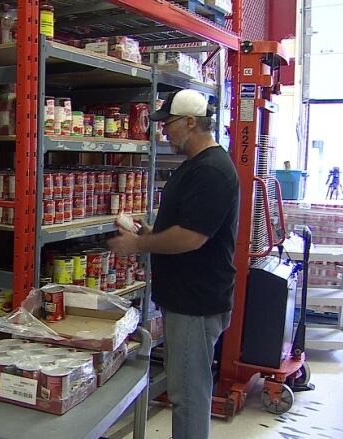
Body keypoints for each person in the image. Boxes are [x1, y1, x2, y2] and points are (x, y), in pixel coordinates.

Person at [107, 89, 239, 439]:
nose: (164, 131)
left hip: (195, 301)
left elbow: (192, 238)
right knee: (189, 390)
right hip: (187, 296)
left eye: (169, 123)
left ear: (192, 122)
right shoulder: (196, 166)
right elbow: (184, 227)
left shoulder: (212, 170)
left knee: (188, 395)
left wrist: (139, 243)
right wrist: (151, 231)